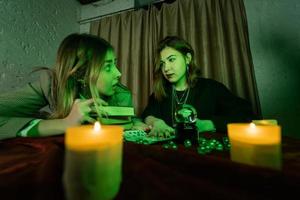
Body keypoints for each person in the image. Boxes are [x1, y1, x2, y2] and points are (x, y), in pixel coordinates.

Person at [0, 33, 133, 140]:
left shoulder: (122, 94)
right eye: (108, 67)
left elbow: (130, 122)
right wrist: (65, 123)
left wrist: (141, 122)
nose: (119, 73)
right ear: (81, 75)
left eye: (115, 64)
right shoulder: (50, 84)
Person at [141, 36, 256, 138]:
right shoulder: (161, 93)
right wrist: (156, 122)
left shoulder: (211, 88)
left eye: (171, 60)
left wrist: (208, 124)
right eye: (162, 64)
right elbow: (147, 114)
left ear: (188, 58)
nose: (166, 68)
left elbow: (245, 114)